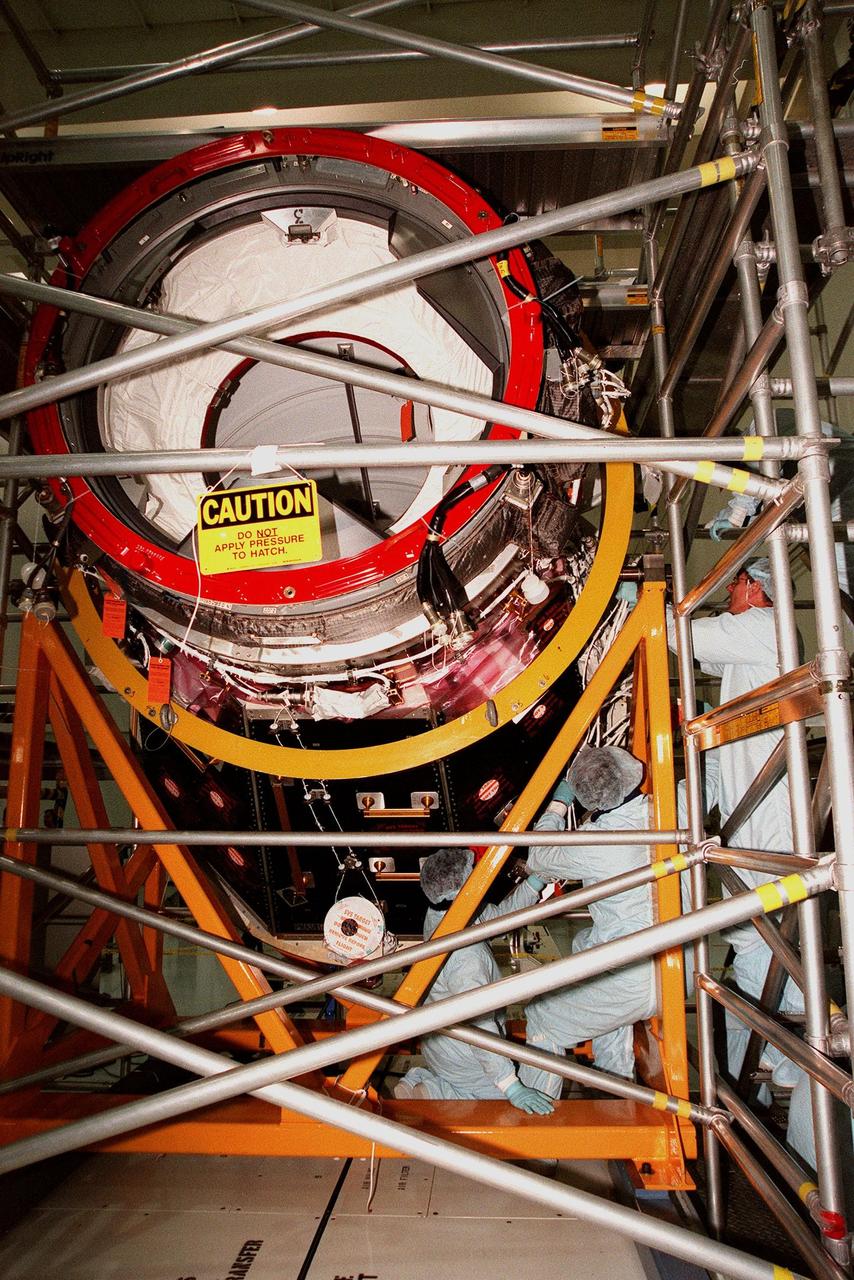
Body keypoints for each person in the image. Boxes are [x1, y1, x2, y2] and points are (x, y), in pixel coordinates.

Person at [666, 558, 804, 1088]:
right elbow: (727, 750)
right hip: (753, 808)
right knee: (752, 938)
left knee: (773, 934)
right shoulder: (756, 642)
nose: (729, 593)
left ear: (756, 587)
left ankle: (796, 1051)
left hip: (769, 812)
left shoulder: (763, 627)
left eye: (736, 583)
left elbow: (683, 637)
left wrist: (637, 606)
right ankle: (770, 1053)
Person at [518, 745, 660, 1095]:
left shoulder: (597, 842)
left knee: (542, 1017)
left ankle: (539, 1131)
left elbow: (539, 856)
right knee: (586, 950)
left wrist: (558, 804)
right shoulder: (673, 806)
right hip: (684, 962)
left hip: (638, 980)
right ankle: (615, 1082)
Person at [393, 847, 554, 1113]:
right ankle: (433, 1091)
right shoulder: (466, 957)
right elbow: (479, 1027)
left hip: (439, 1040)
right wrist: (510, 1085)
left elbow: (499, 918)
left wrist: (535, 883)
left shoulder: (443, 912)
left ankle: (423, 1083)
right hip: (463, 1053)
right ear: (463, 890)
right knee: (506, 1109)